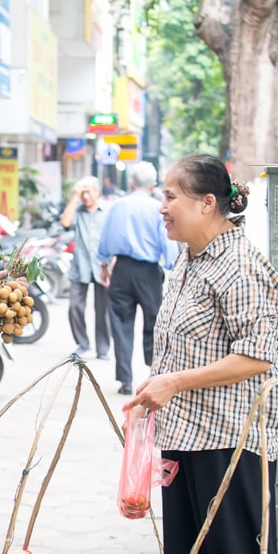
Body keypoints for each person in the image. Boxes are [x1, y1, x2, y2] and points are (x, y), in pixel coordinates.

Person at [128, 153, 278, 554]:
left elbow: (261, 356)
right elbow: (184, 349)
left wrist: (174, 384)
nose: (162, 206)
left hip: (230, 442)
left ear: (206, 203)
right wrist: (152, 398)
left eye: (170, 195)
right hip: (185, 438)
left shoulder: (240, 265)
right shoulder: (188, 260)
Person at [97, 160, 179, 395]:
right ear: (154, 185)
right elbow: (167, 243)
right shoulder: (157, 208)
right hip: (148, 273)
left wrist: (104, 265)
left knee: (121, 324)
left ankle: (126, 380)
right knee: (154, 323)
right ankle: (154, 376)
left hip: (121, 269)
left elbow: (105, 239)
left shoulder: (117, 206)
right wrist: (172, 266)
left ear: (131, 183)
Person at [61, 175, 110, 360]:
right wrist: (74, 196)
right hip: (79, 266)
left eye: (88, 191)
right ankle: (83, 343)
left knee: (103, 309)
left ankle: (103, 348)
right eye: (82, 192)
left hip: (102, 266)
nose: (85, 195)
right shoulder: (77, 211)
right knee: (75, 307)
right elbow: (65, 223)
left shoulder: (106, 211)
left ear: (97, 192)